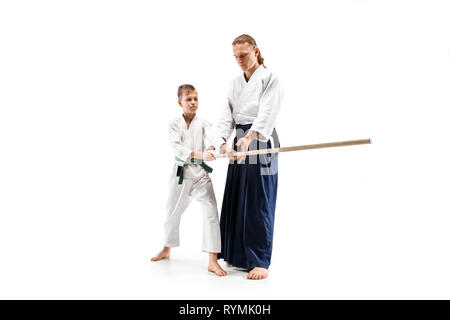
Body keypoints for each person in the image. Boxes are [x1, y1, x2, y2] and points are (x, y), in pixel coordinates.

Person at [217, 34, 282, 280]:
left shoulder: (270, 79)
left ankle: (260, 260)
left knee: (259, 198)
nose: (240, 60)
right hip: (239, 141)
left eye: (243, 55)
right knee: (236, 195)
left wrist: (249, 138)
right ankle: (237, 254)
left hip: (261, 141)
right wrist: (222, 142)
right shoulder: (234, 82)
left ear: (255, 51)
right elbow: (226, 115)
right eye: (236, 57)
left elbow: (268, 112)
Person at [151, 84, 227, 277]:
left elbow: (215, 136)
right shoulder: (173, 125)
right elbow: (177, 149)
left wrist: (223, 147)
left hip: (201, 176)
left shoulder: (203, 123)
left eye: (195, 99)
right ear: (180, 102)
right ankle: (167, 248)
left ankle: (212, 261)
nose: (193, 103)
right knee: (172, 213)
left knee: (211, 213)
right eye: (189, 99)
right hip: (181, 176)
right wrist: (202, 155)